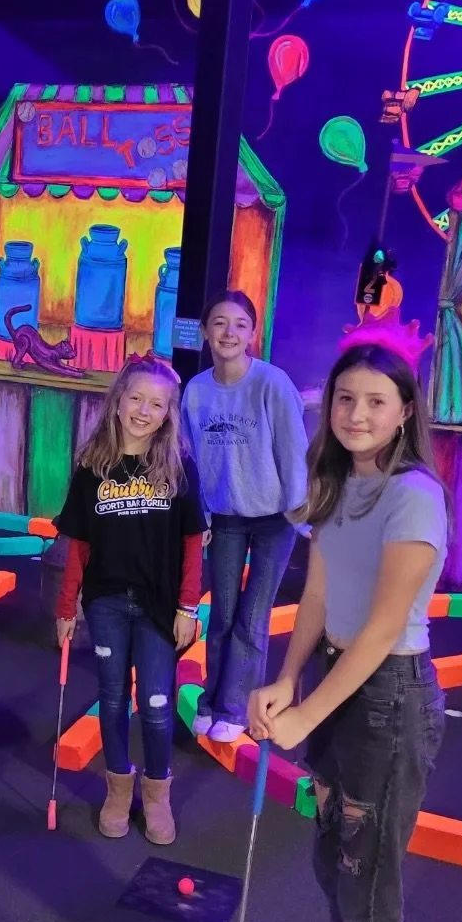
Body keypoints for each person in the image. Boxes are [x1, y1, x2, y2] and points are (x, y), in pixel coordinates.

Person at [248, 323, 449, 922]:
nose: (356, 414)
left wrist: (306, 716)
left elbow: (380, 628)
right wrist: (286, 680)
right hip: (337, 677)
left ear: (405, 411)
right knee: (336, 860)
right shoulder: (336, 482)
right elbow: (323, 601)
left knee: (370, 879)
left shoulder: (414, 495)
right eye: (344, 399)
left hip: (387, 697)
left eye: (374, 401)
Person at [54, 354, 206, 844]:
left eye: (156, 404)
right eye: (136, 398)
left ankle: (157, 794)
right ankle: (118, 789)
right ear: (118, 401)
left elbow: (191, 544)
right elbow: (78, 545)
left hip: (160, 607)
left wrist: (188, 608)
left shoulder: (178, 466)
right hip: (106, 603)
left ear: (167, 414)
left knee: (157, 703)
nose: (144, 410)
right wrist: (65, 608)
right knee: (113, 697)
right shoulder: (91, 466)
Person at [182, 290, 308, 746]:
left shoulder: (273, 384)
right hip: (226, 517)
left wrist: (300, 511)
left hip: (275, 518)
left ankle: (235, 707)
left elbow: (294, 452)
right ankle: (212, 702)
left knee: (253, 618)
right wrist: (200, 516)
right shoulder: (196, 392)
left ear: (253, 333)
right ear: (205, 333)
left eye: (239, 324)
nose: (228, 332)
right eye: (219, 323)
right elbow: (190, 460)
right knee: (223, 615)